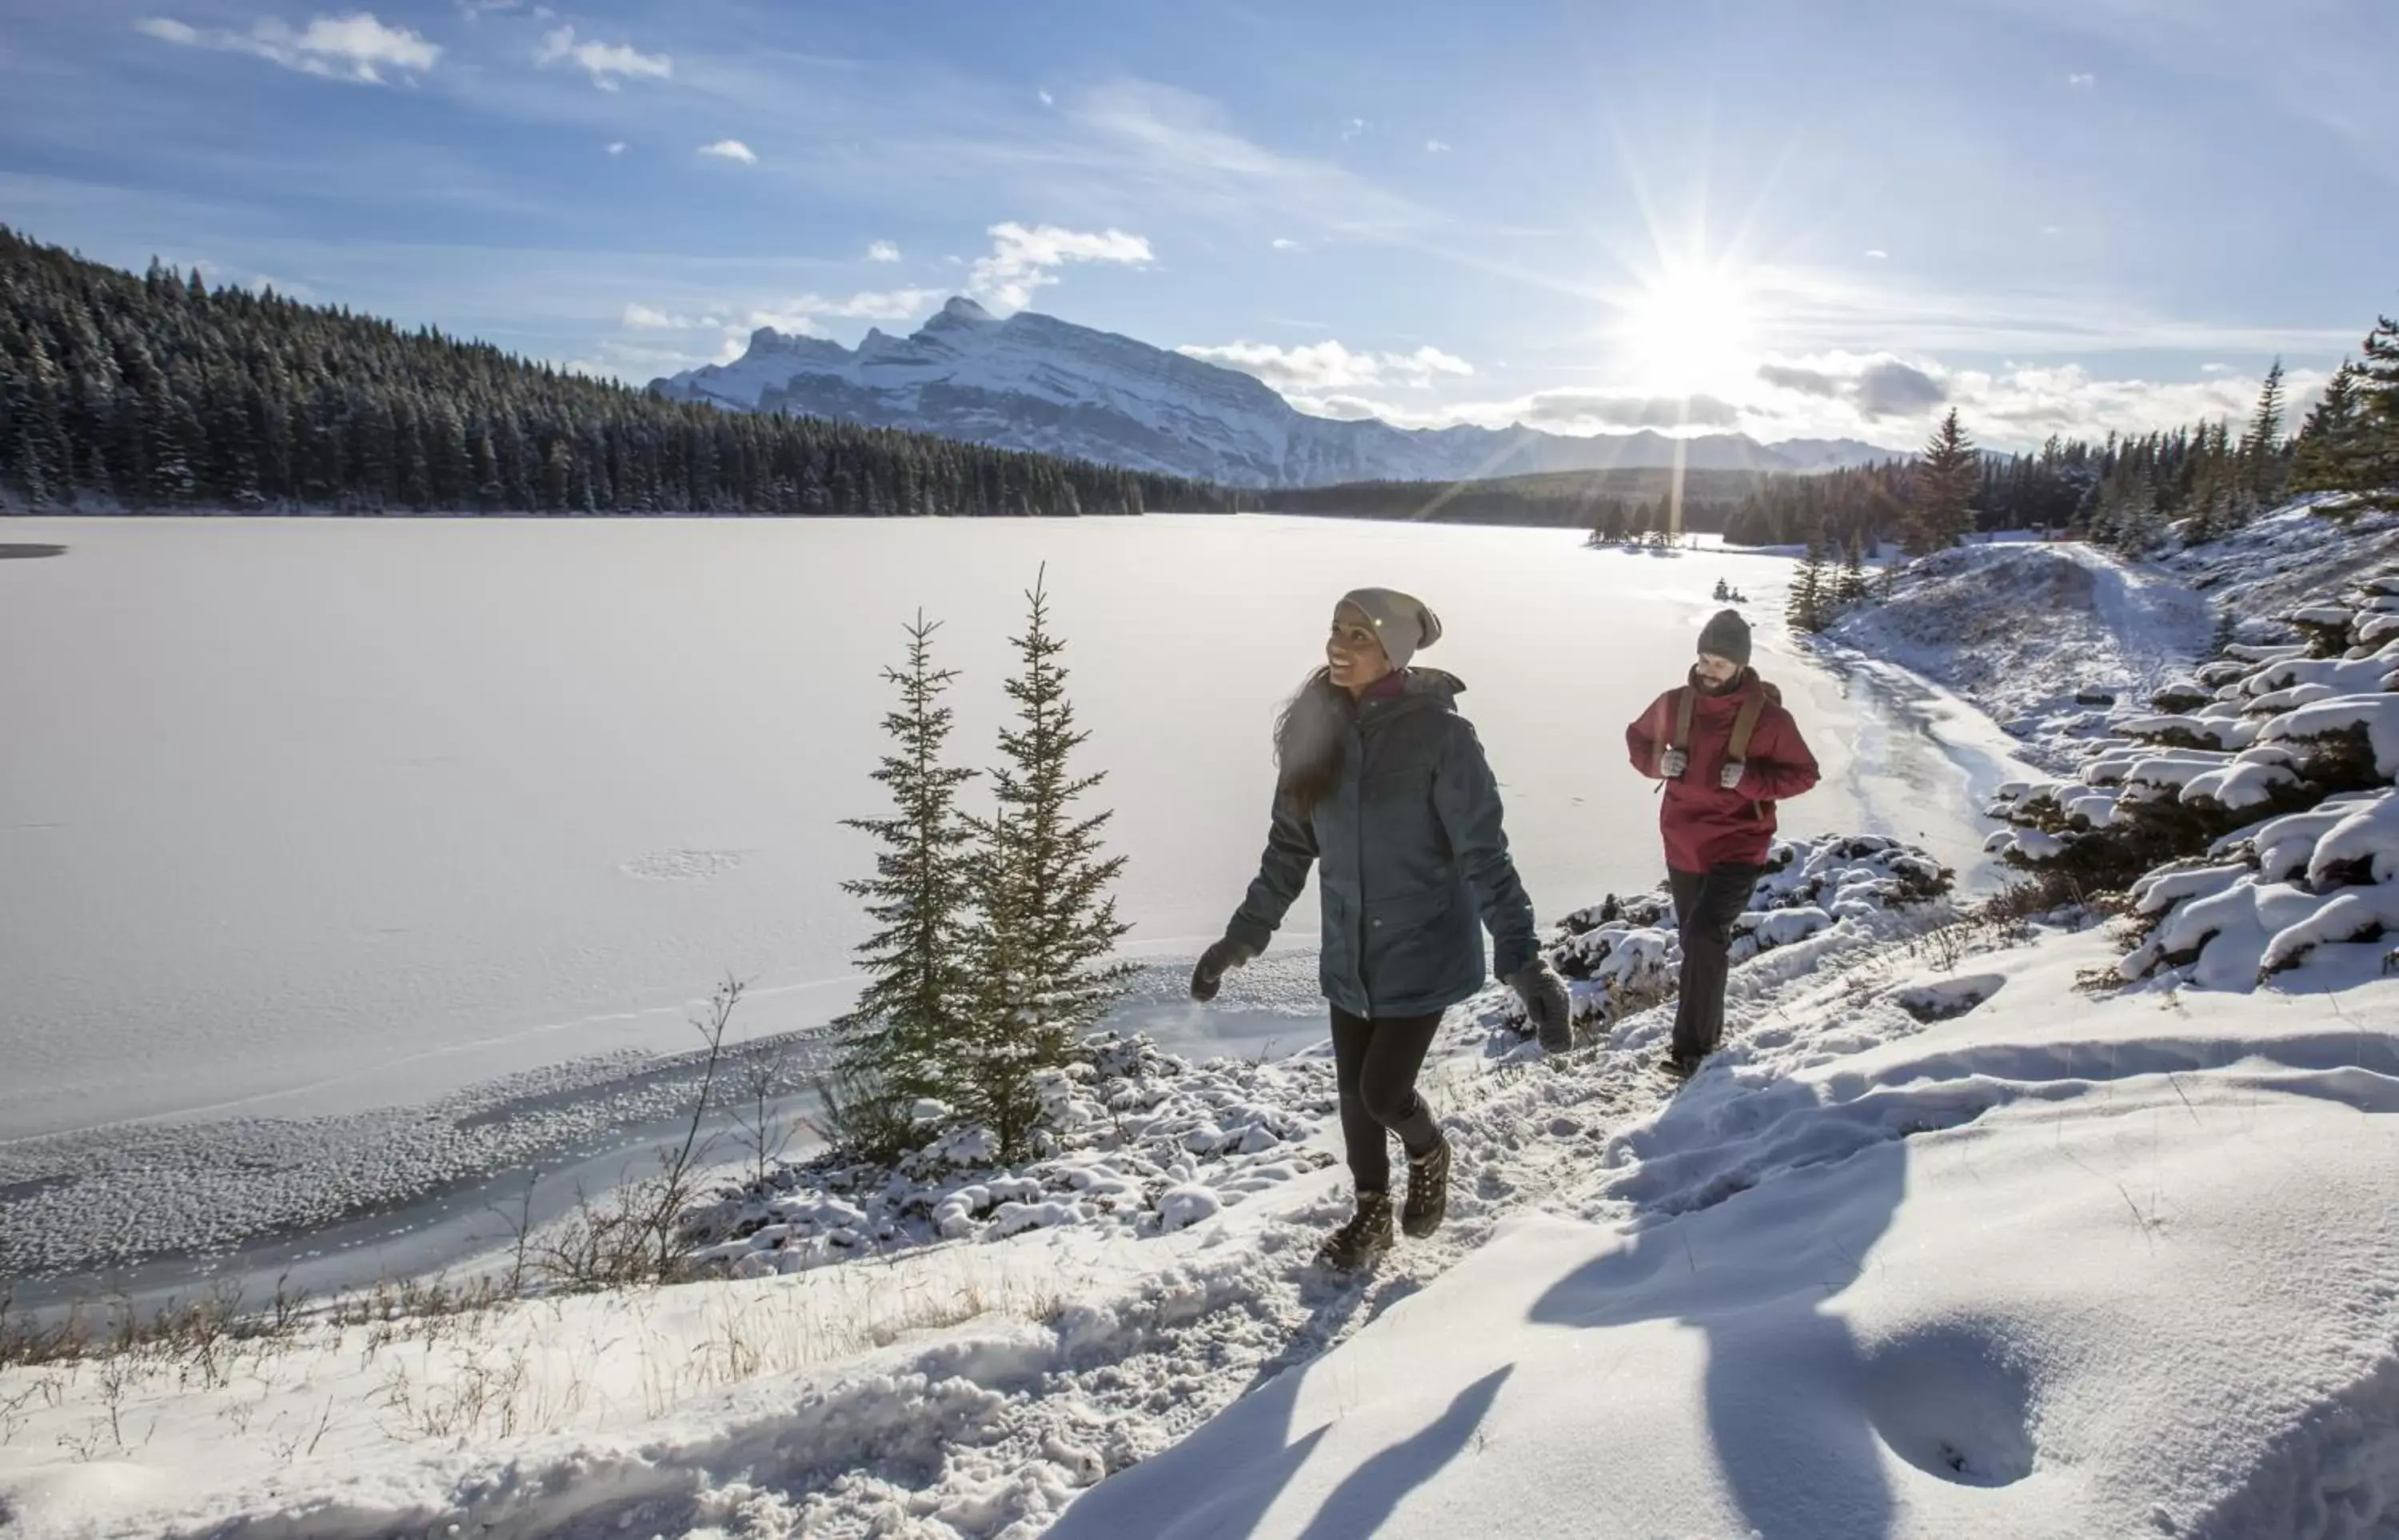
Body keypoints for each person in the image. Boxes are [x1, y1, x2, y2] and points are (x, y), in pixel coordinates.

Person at [1190, 588, 1571, 1272]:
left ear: (1392, 649)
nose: (1338, 645)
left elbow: (1484, 855)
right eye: (1334, 629)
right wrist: (1241, 939)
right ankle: (1370, 1214)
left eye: (1358, 636)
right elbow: (1288, 849)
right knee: (1352, 1099)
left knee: (1383, 1091)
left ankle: (1429, 1152)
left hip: (1422, 948)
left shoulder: (1442, 739)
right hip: (1349, 951)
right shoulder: (1318, 732)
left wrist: (1523, 960)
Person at [1625, 608, 1820, 1079]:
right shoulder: (1676, 703)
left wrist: (1752, 781)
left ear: (1741, 666)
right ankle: (1703, 1035)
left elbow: (1804, 774)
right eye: (1705, 659)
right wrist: (1658, 763)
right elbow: (1638, 739)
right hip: (1683, 842)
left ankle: (1691, 1050)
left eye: (1720, 664)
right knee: (1697, 943)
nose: (1709, 670)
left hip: (1739, 845)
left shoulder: (1769, 719)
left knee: (1704, 934)